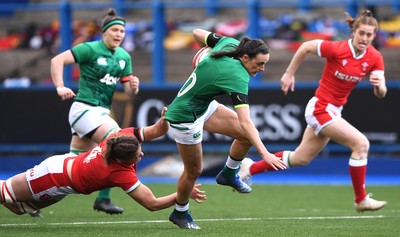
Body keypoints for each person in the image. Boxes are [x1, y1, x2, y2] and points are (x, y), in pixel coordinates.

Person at [238, 10, 387, 213]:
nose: (365, 38)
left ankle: (250, 167)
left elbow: (382, 93)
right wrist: (289, 74)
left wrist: (379, 86)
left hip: (334, 110)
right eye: (361, 33)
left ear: (374, 36)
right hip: (320, 108)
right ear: (354, 31)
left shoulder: (375, 57)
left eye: (369, 35)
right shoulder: (337, 49)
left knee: (301, 158)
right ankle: (360, 199)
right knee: (361, 144)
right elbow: (306, 46)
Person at [164, 28, 287, 229]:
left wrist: (204, 58)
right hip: (185, 116)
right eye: (260, 64)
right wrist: (265, 153)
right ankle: (180, 212)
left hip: (203, 104)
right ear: (245, 57)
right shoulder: (237, 75)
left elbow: (196, 32)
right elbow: (246, 121)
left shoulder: (230, 44)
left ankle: (228, 174)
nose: (262, 69)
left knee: (245, 136)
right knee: (194, 170)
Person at [0, 108, 207, 217]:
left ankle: (15, 201)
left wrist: (165, 119)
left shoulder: (119, 137)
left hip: (63, 171)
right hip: (52, 178)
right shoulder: (118, 173)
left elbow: (155, 131)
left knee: (20, 207)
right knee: (4, 191)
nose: (141, 155)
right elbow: (152, 204)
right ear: (122, 161)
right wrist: (183, 194)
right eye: (137, 156)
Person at [50, 8, 140, 215]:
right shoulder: (89, 49)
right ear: (104, 32)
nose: (119, 34)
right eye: (115, 30)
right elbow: (57, 60)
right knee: (117, 140)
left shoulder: (124, 57)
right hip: (84, 109)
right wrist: (60, 86)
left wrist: (134, 86)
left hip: (98, 114)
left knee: (69, 169)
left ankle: (27, 198)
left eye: (122, 31)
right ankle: (104, 199)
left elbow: (128, 90)